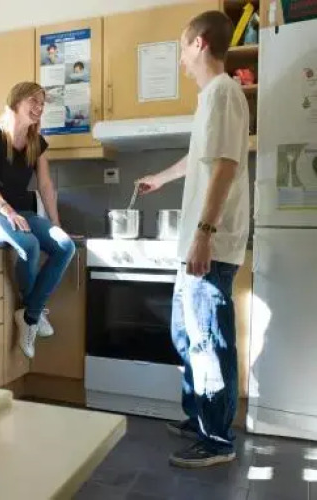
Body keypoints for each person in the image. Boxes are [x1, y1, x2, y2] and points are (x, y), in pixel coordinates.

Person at [137, 11, 250, 468]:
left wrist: (204, 234)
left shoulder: (223, 92)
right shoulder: (211, 98)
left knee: (208, 343)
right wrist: (160, 178)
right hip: (197, 242)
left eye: (183, 48)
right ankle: (200, 417)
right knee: (187, 336)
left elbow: (225, 167)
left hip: (210, 242)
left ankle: (217, 440)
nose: (181, 59)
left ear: (200, 43)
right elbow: (200, 158)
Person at [0, 81, 76, 359]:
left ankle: (29, 314)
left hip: (22, 212)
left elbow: (45, 186)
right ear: (15, 102)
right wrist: (8, 211)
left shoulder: (36, 144)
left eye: (42, 104)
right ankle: (34, 313)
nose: (39, 107)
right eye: (34, 101)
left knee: (65, 246)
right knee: (29, 244)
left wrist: (56, 223)